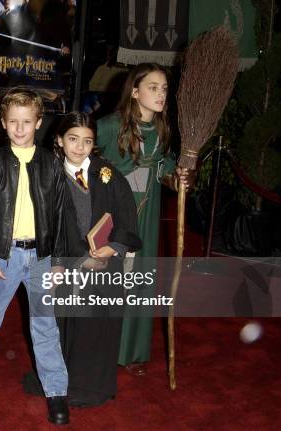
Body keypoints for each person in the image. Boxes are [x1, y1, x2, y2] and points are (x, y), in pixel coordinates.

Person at [0, 88, 70, 425]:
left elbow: (62, 215)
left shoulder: (52, 164)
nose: (20, 128)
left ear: (38, 123)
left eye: (27, 122)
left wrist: (60, 260)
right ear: (3, 124)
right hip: (4, 257)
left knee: (45, 326)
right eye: (13, 122)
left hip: (41, 257)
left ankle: (56, 391)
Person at [96, 63, 194, 376]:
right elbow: (82, 157)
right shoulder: (110, 126)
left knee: (139, 279)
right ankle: (99, 348)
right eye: (153, 87)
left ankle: (131, 352)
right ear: (135, 91)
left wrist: (177, 179)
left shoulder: (163, 129)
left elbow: (162, 165)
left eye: (164, 88)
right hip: (114, 212)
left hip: (147, 214)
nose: (161, 94)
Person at [52, 112, 141, 406]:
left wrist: (113, 247)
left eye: (87, 141)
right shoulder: (50, 176)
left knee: (100, 324)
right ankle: (65, 383)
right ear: (60, 140)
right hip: (69, 265)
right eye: (73, 139)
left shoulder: (107, 174)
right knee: (71, 325)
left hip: (104, 264)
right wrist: (73, 259)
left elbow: (126, 214)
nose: (80, 147)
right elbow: (47, 225)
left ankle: (96, 385)